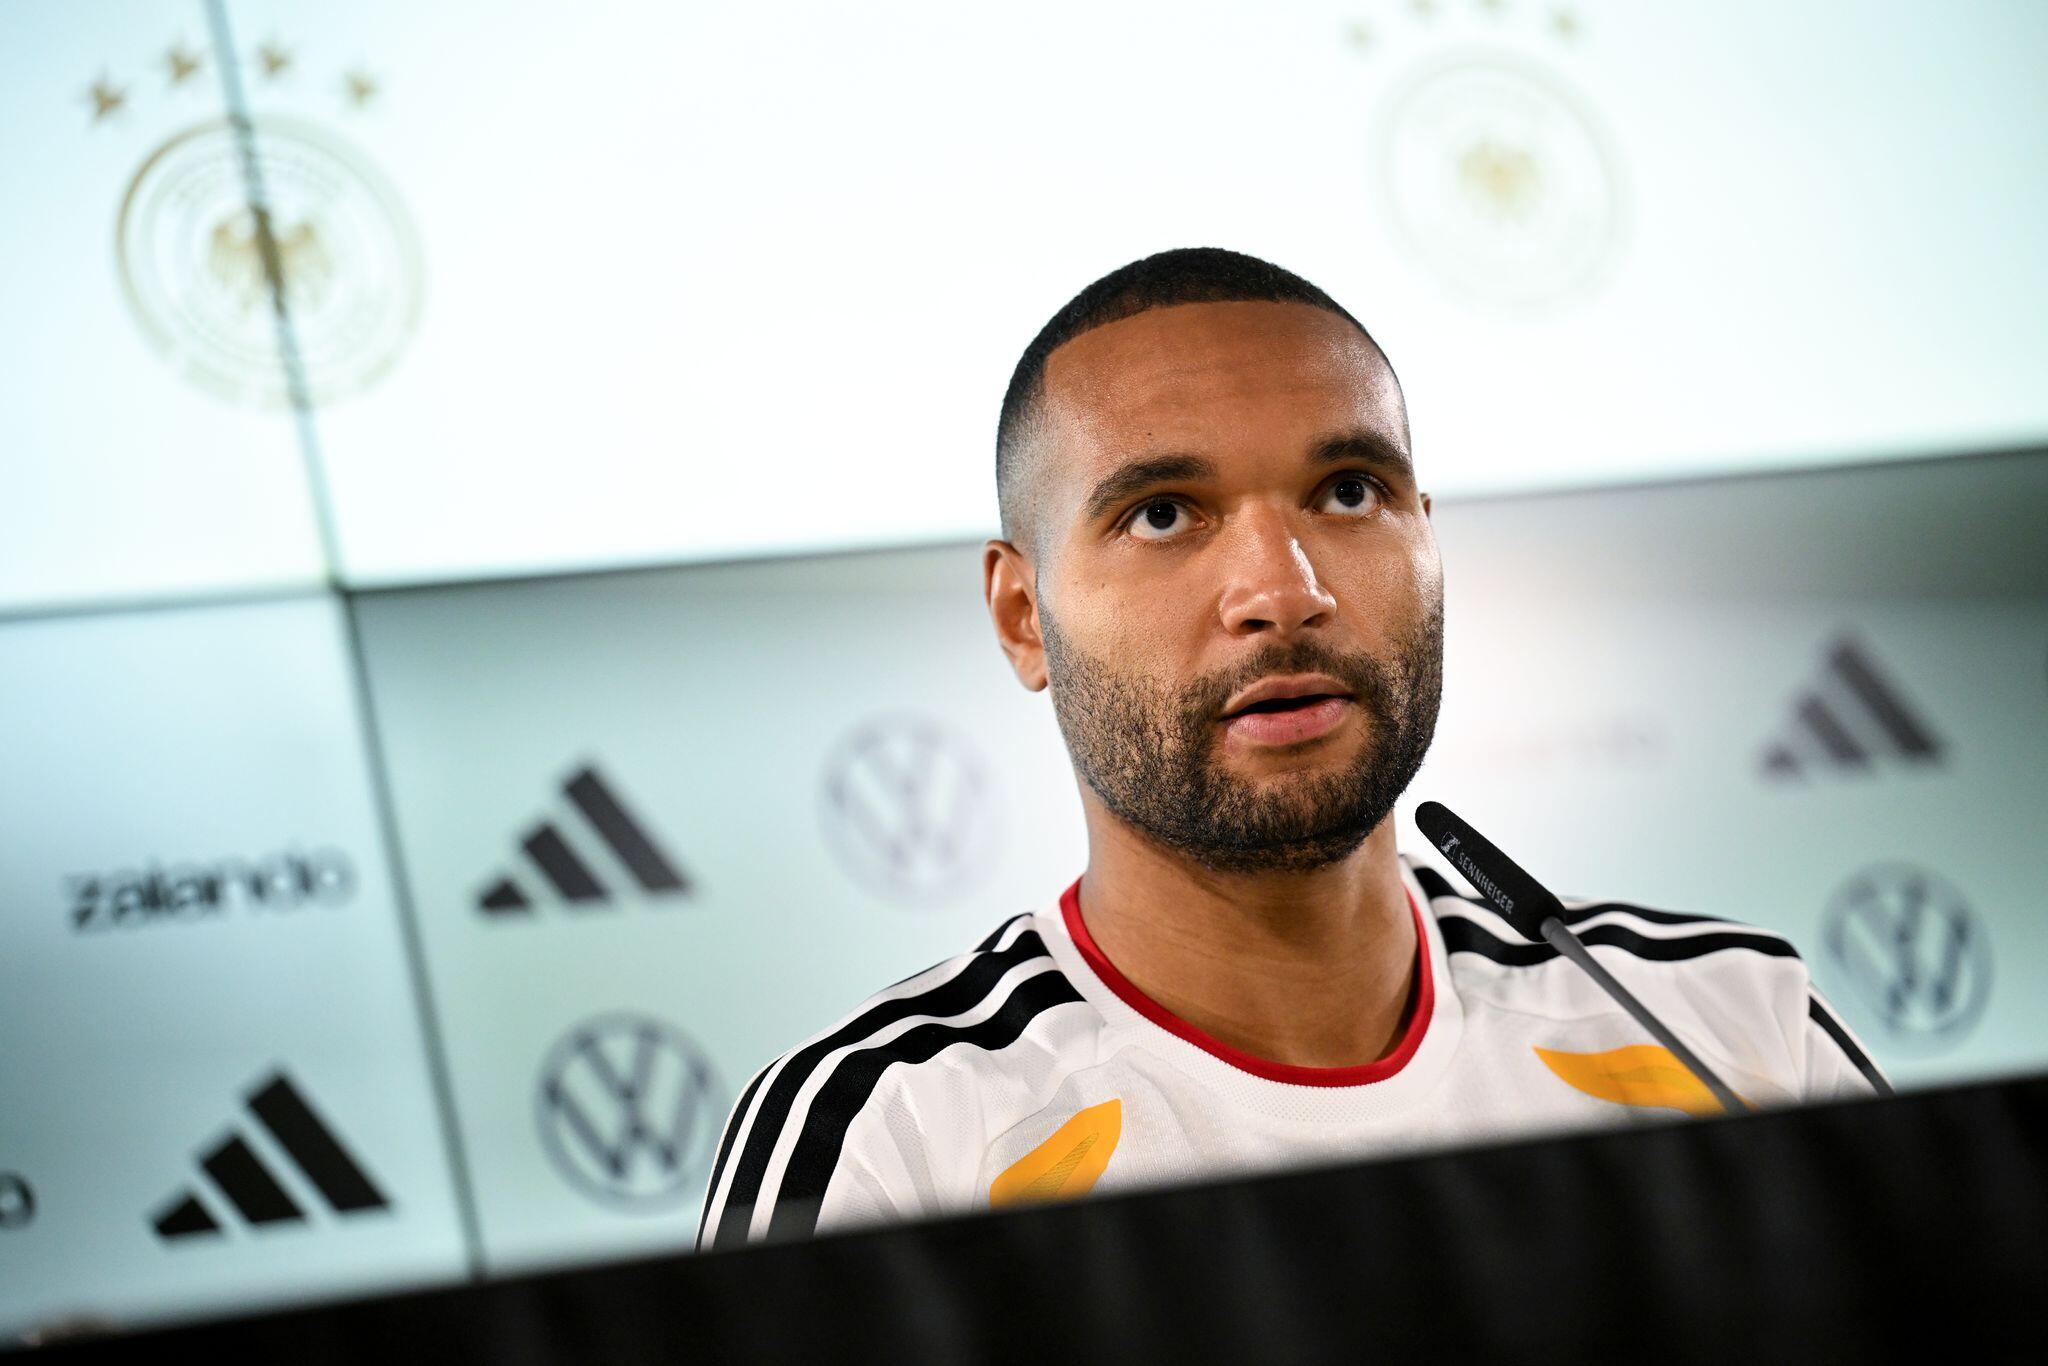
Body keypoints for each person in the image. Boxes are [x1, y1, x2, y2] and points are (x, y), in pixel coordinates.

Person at [696, 247, 1890, 1249]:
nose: (1284, 591)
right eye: (1163, 513)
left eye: (1349, 491)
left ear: (1428, 540)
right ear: (1022, 617)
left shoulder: (1732, 1019)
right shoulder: (891, 1136)